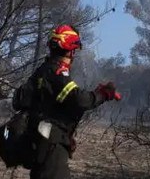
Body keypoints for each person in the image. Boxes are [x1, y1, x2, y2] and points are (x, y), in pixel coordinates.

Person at [25, 24, 120, 179]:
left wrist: (65, 136)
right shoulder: (58, 72)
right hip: (51, 147)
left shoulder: (42, 70)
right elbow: (79, 100)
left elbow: (28, 101)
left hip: (40, 143)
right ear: (70, 50)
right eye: (74, 51)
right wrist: (103, 94)